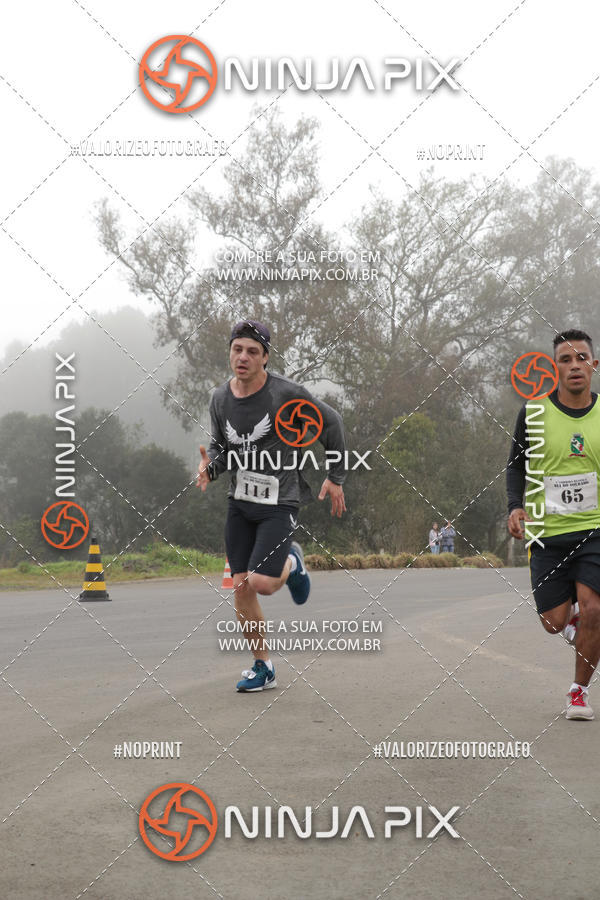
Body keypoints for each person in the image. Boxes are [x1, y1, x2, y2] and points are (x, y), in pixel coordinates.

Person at [196, 320, 347, 692]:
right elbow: (220, 448)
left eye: (252, 351)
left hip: (281, 500)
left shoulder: (288, 393)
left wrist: (336, 476)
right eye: (237, 349)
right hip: (240, 503)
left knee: (262, 583)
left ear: (265, 357)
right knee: (241, 587)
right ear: (230, 352)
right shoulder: (219, 398)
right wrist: (209, 467)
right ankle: (262, 666)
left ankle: (292, 562)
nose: (242, 357)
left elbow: (332, 423)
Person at [507, 328, 600, 720]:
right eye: (566, 359)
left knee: (595, 609)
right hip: (546, 531)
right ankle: (576, 622)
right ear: (555, 368)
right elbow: (516, 466)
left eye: (581, 358)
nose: (575, 365)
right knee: (553, 622)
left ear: (593, 366)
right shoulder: (534, 413)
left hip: (594, 529)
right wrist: (515, 506)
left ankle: (578, 693)